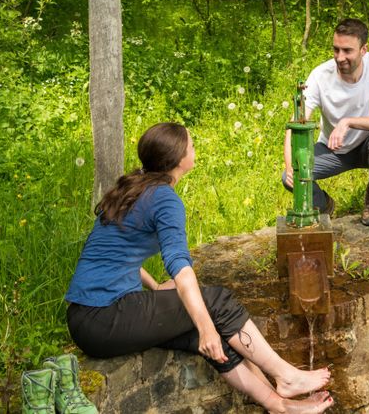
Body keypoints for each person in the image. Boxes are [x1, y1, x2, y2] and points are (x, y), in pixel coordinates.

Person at [65, 122, 333, 414]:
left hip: (86, 320)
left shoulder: (133, 188)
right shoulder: (164, 199)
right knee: (217, 303)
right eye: (191, 146)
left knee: (205, 328)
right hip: (105, 316)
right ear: (179, 159)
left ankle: (278, 405)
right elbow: (180, 267)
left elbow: (117, 254)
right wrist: (207, 328)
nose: (195, 148)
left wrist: (155, 288)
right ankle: (286, 375)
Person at [282, 18, 369, 226]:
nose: (340, 57)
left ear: (364, 50)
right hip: (331, 149)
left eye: (347, 51)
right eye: (336, 50)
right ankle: (324, 204)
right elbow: (295, 126)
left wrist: (348, 122)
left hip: (367, 146)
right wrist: (292, 166)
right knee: (289, 177)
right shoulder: (320, 76)